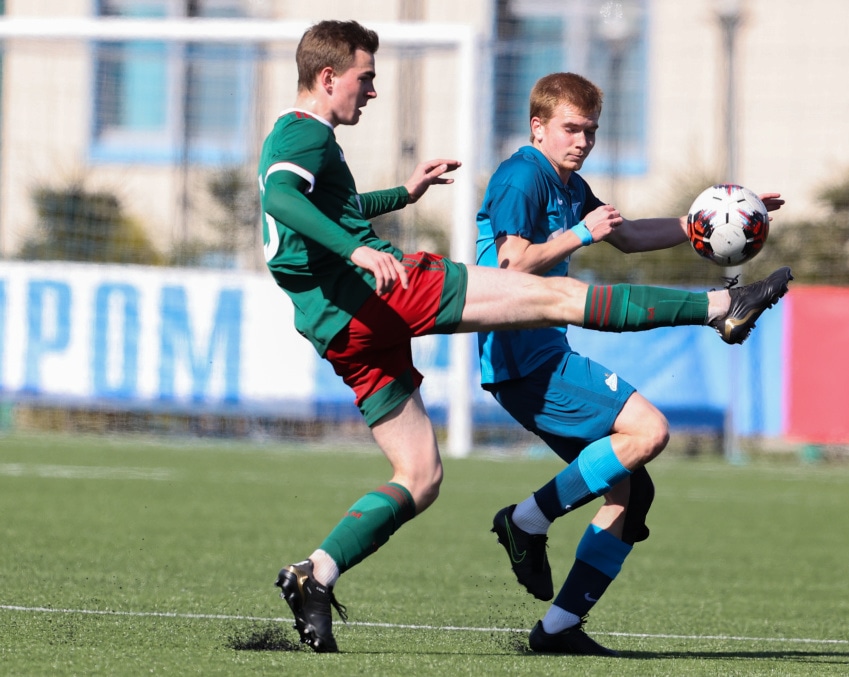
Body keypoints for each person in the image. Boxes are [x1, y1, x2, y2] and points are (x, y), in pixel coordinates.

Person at [259, 21, 791, 654]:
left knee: (421, 476)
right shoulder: (303, 132)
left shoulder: (313, 144)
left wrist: (403, 193)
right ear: (328, 77)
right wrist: (357, 250)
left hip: (343, 326)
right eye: (365, 77)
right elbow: (280, 197)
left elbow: (325, 204)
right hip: (378, 289)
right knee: (556, 300)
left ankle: (316, 572)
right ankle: (719, 305)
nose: (371, 90)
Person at [477, 72, 789, 656]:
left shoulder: (568, 181)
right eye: (571, 128)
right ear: (538, 126)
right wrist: (578, 233)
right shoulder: (522, 175)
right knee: (649, 430)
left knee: (629, 494)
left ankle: (559, 629)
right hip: (522, 357)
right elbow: (510, 267)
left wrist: (717, 220)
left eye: (591, 130)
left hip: (544, 352)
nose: (583, 141)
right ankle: (525, 520)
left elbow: (628, 236)